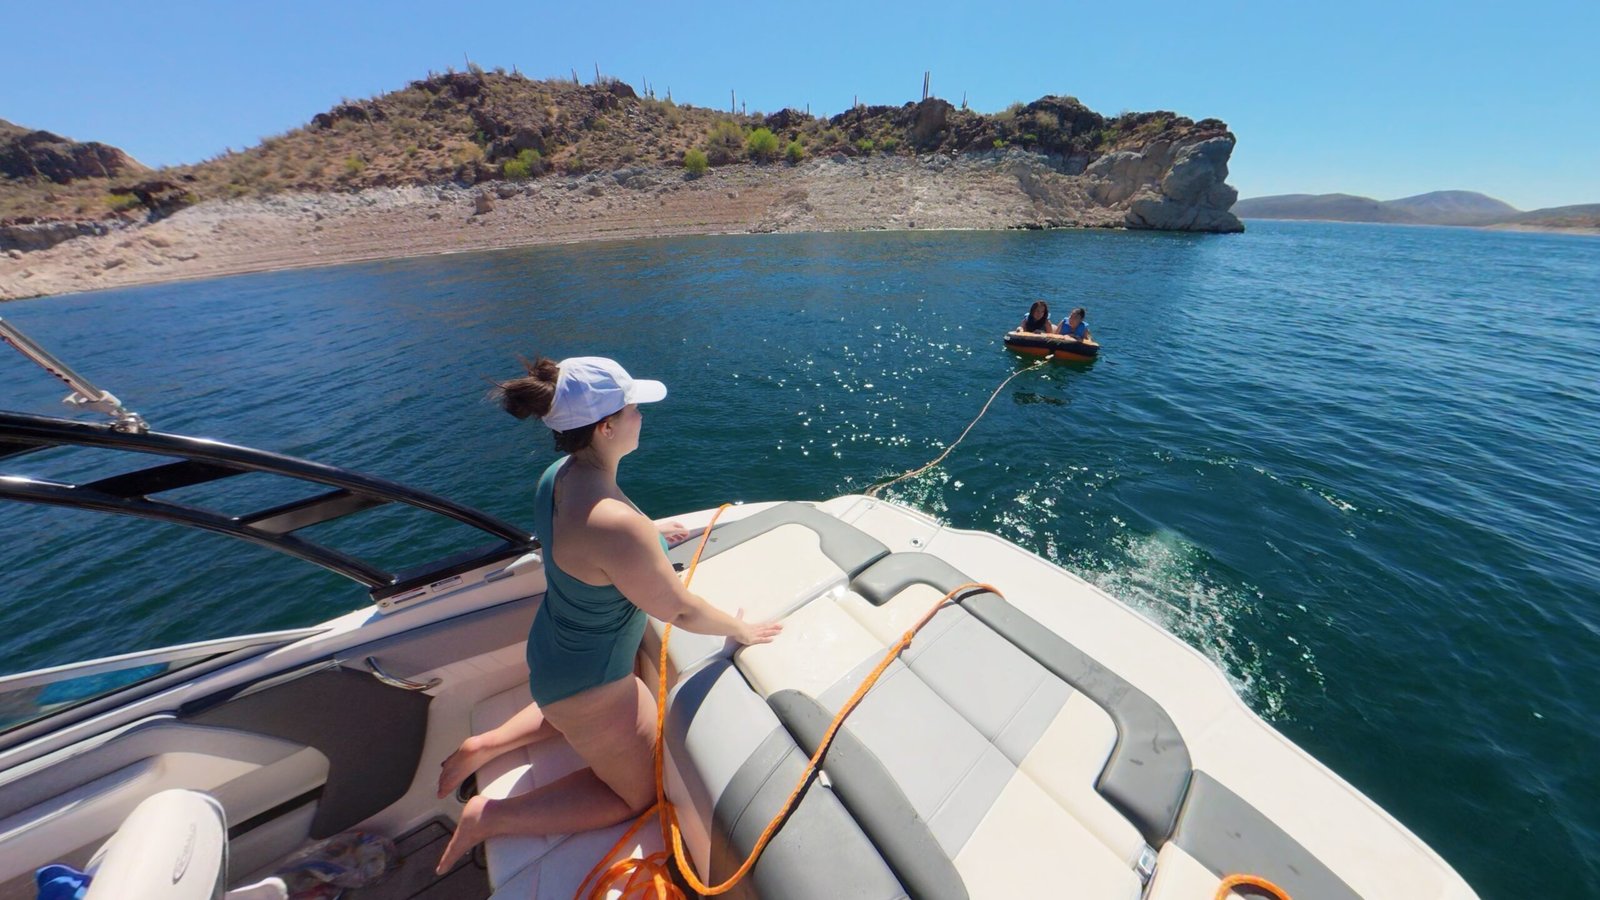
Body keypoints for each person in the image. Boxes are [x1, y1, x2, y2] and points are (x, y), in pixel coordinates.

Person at [433, 355, 783, 874]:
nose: (641, 415)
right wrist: (742, 630)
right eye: (633, 407)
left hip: (553, 652)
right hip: (590, 684)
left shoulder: (558, 477)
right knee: (635, 797)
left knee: (568, 711)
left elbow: (584, 541)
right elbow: (681, 610)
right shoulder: (617, 525)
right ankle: (489, 816)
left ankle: (482, 745)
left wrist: (651, 536)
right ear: (607, 427)